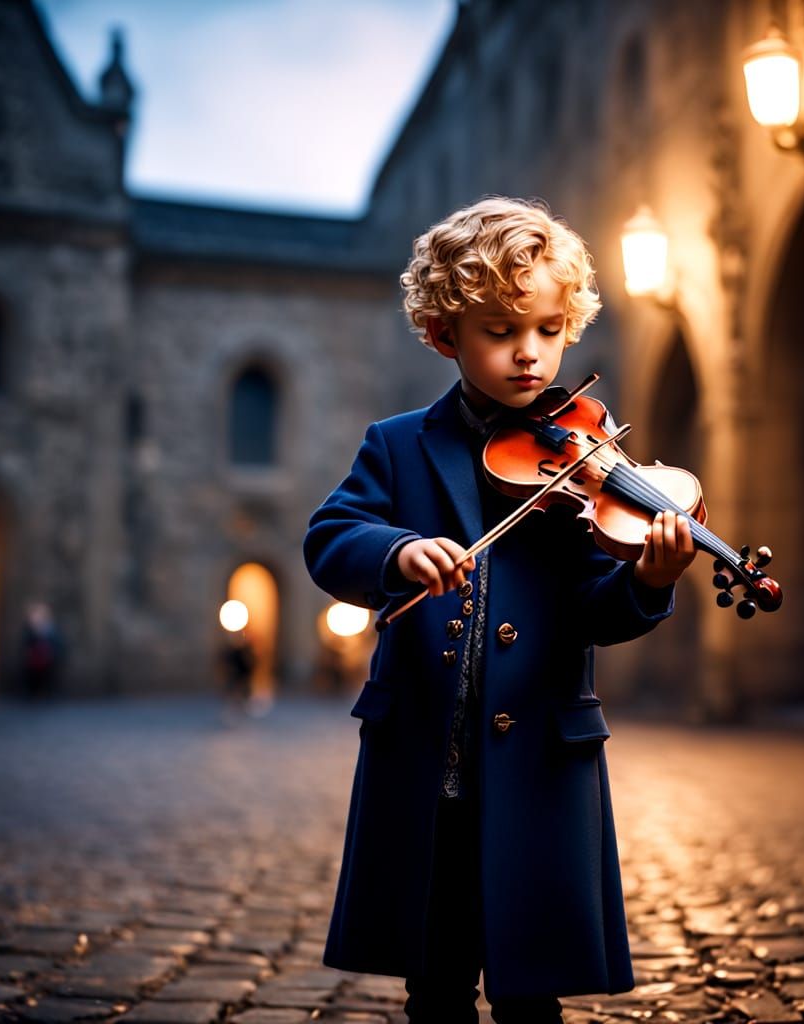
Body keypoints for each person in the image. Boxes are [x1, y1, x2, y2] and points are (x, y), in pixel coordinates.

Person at [303, 197, 696, 1023]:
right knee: (436, 979)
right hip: (430, 755)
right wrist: (395, 552)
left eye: (550, 331)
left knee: (531, 986)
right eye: (500, 331)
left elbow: (599, 607)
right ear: (445, 333)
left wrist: (648, 582)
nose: (530, 355)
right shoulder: (399, 443)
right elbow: (330, 537)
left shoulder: (584, 456)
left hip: (539, 758)